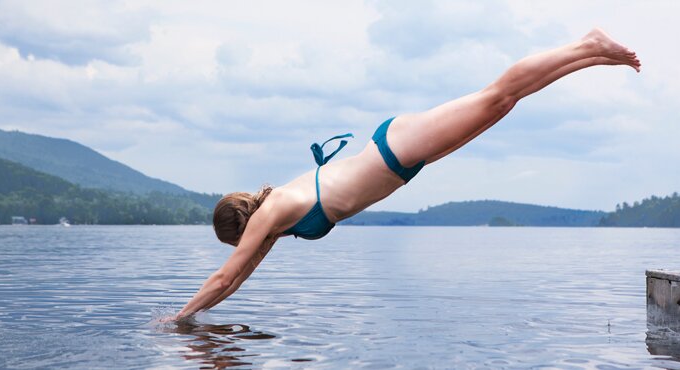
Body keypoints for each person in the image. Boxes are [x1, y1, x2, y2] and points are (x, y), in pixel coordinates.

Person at [172, 28, 640, 321]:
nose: (243, 250)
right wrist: (193, 320)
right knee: (503, 104)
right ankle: (591, 56)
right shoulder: (274, 222)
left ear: (238, 229)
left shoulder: (270, 214)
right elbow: (238, 278)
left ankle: (588, 45)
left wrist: (174, 320)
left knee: (496, 95)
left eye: (236, 243)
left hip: (395, 150)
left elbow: (223, 277)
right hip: (402, 161)